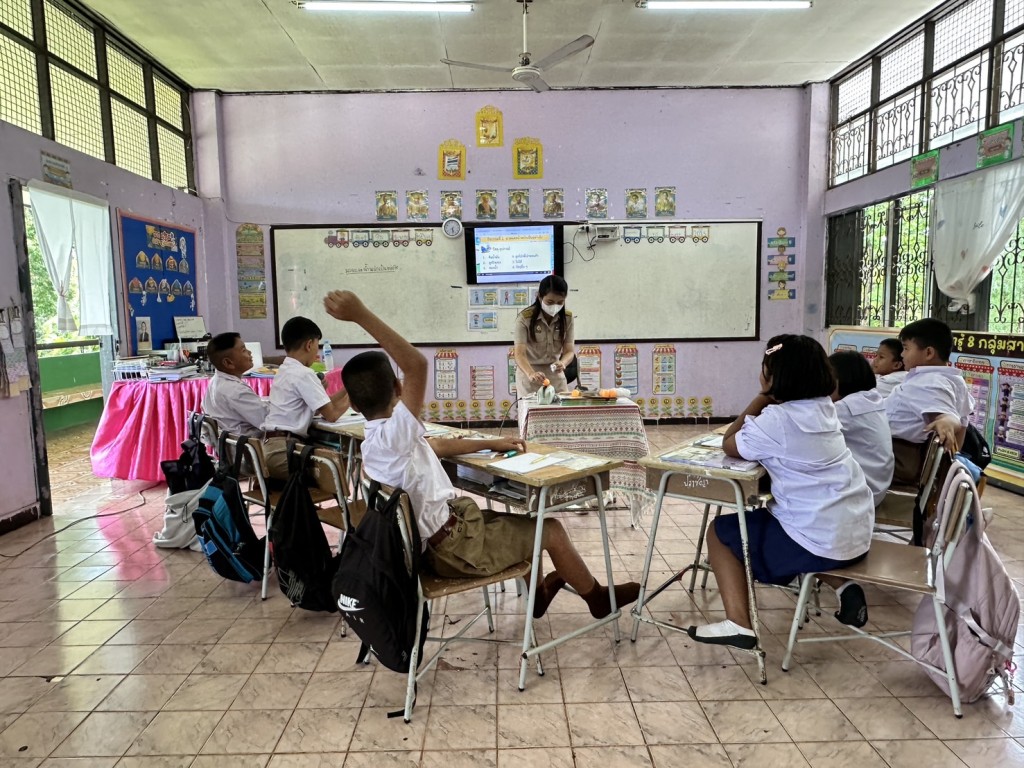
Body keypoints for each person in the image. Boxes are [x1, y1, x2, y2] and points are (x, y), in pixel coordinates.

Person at [324, 289, 640, 620]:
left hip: (439, 540)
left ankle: (539, 596)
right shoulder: (396, 433)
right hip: (453, 549)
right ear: (399, 389)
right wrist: (360, 314)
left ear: (353, 404)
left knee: (518, 525)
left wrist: (490, 444)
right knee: (551, 530)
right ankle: (597, 599)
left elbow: (433, 446)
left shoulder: (376, 441)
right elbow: (416, 365)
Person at [688, 335, 875, 648]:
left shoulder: (778, 419)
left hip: (819, 536)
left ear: (773, 376)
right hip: (855, 533)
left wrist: (762, 397)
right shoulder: (825, 408)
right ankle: (843, 586)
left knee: (720, 532)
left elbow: (729, 443)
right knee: (780, 522)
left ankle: (739, 624)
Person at [260, 316, 349, 478]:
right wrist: (356, 395)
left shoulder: (284, 370)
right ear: (309, 345)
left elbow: (321, 408)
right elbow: (331, 415)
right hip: (285, 453)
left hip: (271, 449)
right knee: (338, 466)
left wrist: (347, 389)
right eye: (317, 346)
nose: (317, 353)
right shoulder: (304, 373)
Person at [884, 318, 973, 483]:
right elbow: (963, 423)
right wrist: (952, 457)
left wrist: (947, 420)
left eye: (906, 348)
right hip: (905, 456)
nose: (902, 354)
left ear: (929, 353)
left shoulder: (930, 382)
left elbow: (949, 416)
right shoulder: (953, 381)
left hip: (898, 457)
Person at [829, 350, 894, 507]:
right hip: (876, 487)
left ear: (841, 379)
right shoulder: (871, 399)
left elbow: (803, 427)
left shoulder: (846, 408)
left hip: (861, 494)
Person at [513, 275, 574, 396]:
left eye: (560, 302)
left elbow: (569, 351)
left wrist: (563, 363)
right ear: (540, 297)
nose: (555, 306)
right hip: (530, 376)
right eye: (550, 302)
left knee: (560, 407)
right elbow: (519, 354)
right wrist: (531, 373)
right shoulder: (525, 318)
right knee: (532, 407)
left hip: (556, 376)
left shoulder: (567, 318)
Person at [202, 332, 268, 438]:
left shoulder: (215, 382)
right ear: (228, 363)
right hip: (252, 444)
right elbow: (269, 420)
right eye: (243, 350)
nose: (250, 352)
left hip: (231, 443)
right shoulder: (236, 390)